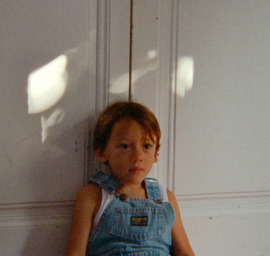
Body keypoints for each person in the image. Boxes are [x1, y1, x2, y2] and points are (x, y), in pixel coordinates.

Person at [65, 101, 195, 256]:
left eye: (146, 146)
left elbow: (185, 252)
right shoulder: (92, 196)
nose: (137, 157)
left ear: (155, 154)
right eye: (125, 146)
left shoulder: (165, 197)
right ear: (101, 152)